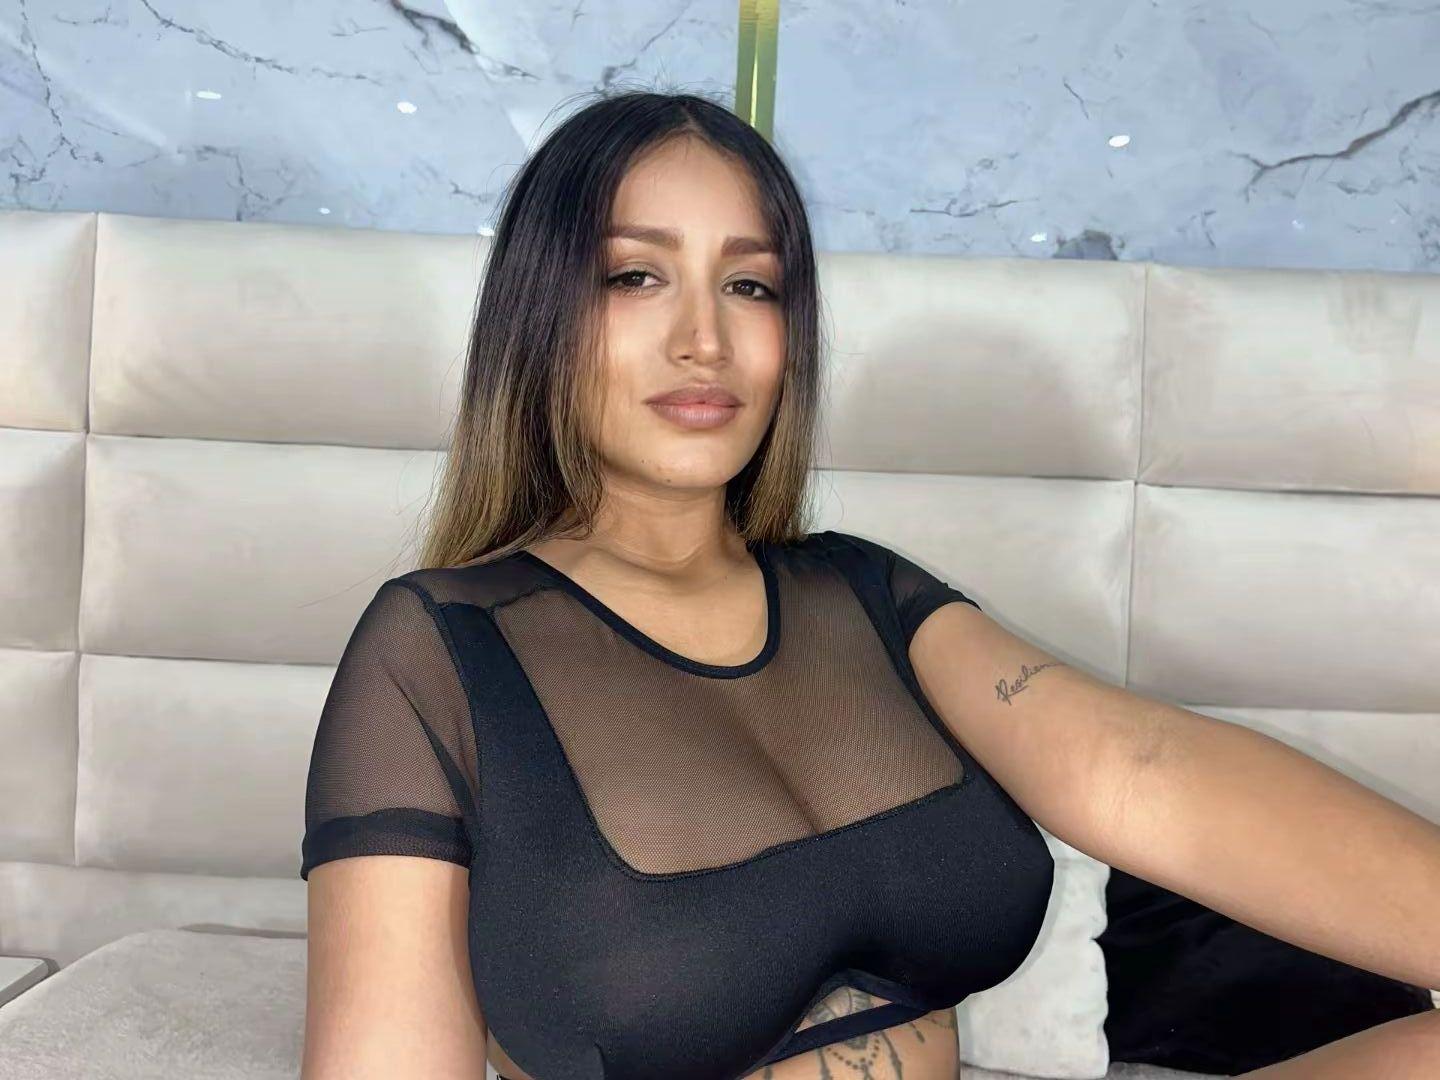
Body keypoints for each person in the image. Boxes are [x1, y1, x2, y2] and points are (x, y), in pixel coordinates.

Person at [298, 89, 1440, 1080]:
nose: (705, 339)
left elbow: (1135, 765)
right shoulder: (438, 650)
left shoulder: (863, 596)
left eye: (751, 286)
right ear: (539, 313)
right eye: (637, 276)